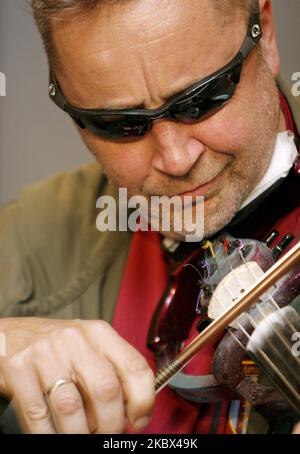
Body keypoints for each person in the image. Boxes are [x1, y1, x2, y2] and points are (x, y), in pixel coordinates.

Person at [0, 0, 299, 434]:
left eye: (202, 99)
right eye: (120, 124)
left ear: (266, 33)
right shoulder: (29, 238)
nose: (175, 160)